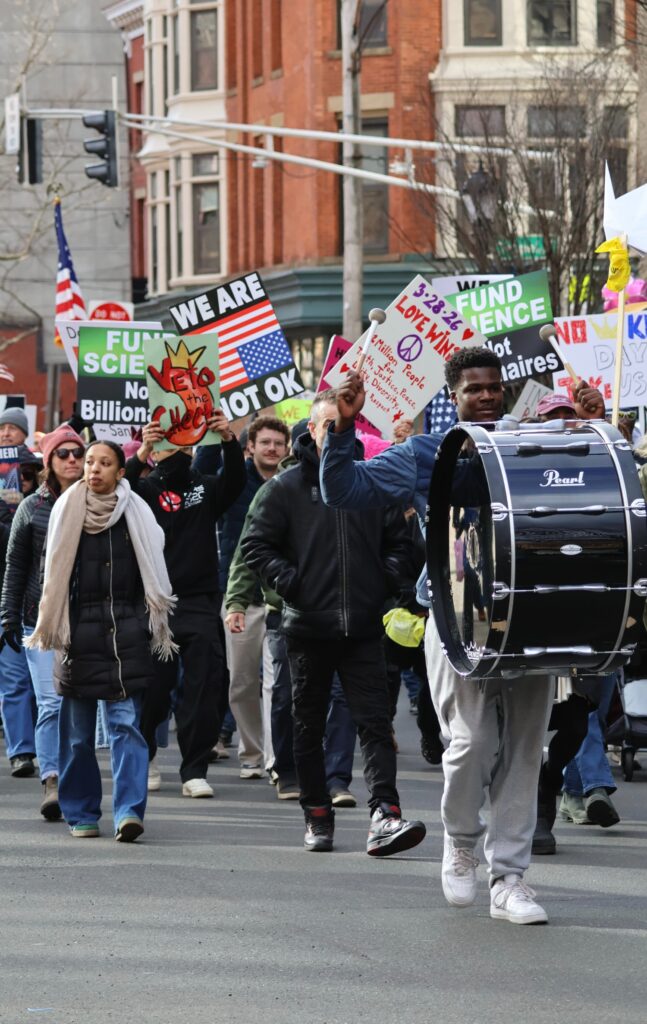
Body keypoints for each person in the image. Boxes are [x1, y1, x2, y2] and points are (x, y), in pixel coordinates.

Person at [320, 348, 604, 922]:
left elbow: (590, 492)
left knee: (525, 750)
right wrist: (343, 426)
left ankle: (510, 880)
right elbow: (343, 491)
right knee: (471, 743)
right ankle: (461, 842)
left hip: (528, 618)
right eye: (475, 389)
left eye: (495, 387)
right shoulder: (431, 452)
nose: (488, 396)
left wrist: (592, 429)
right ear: (453, 396)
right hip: (456, 619)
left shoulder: (526, 444)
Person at [241, 389, 426, 856]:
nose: (332, 433)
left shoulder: (371, 483)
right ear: (311, 430)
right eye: (325, 425)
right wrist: (292, 582)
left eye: (341, 425)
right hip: (306, 629)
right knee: (306, 725)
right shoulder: (283, 488)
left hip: (364, 628)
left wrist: (381, 581)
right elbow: (255, 545)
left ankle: (386, 814)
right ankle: (317, 814)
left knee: (374, 723)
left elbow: (401, 544)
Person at [24, 440, 177, 841]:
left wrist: (144, 623)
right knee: (76, 736)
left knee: (126, 727)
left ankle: (129, 812)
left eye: (104, 463)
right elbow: (50, 577)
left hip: (126, 637)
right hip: (76, 639)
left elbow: (153, 576)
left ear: (120, 472)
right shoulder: (65, 511)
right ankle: (82, 811)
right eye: (89, 462)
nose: (92, 469)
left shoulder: (137, 514)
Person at [125, 411, 245, 798]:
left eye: (181, 441)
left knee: (203, 689)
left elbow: (236, 482)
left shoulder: (205, 488)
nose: (173, 449)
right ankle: (146, 755)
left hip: (200, 602)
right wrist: (142, 452)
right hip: (157, 604)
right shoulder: (144, 490)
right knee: (156, 689)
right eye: (166, 443)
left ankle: (194, 769)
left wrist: (228, 439)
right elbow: (119, 488)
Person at [1, 425, 85, 820]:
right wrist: (8, 616)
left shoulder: (101, 503)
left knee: (78, 702)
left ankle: (76, 777)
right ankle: (51, 779)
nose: (72, 460)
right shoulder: (31, 508)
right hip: (41, 621)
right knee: (50, 702)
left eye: (78, 453)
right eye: (63, 453)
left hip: (89, 619)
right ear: (49, 462)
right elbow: (16, 568)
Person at [220, 415, 289, 779]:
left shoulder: (292, 484)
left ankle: (277, 759)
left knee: (276, 683)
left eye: (279, 443)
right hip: (242, 595)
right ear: (251, 447)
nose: (272, 449)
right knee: (242, 680)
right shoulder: (235, 482)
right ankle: (251, 753)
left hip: (281, 598)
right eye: (265, 442)